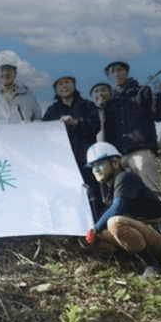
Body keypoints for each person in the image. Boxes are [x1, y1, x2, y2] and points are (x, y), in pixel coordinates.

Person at [82, 142, 161, 279]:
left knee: (115, 223)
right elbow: (102, 214)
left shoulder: (125, 178)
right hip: (142, 233)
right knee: (93, 238)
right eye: (92, 167)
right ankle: (133, 262)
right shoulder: (109, 188)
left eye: (99, 164)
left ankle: (154, 265)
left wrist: (95, 229)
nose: (95, 170)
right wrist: (92, 199)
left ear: (115, 163)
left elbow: (118, 208)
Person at [43, 75, 102, 221]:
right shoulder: (52, 110)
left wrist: (76, 122)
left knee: (93, 193)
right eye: (60, 84)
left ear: (74, 85)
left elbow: (96, 125)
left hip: (87, 158)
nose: (64, 85)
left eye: (67, 82)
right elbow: (43, 133)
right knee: (69, 195)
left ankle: (99, 227)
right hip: (64, 161)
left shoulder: (87, 105)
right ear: (56, 90)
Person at [102, 61, 161, 197]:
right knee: (129, 195)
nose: (116, 74)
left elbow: (157, 115)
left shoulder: (143, 91)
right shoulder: (109, 102)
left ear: (127, 72)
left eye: (119, 70)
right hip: (119, 156)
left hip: (141, 150)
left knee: (151, 189)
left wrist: (157, 93)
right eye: (111, 73)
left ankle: (160, 217)